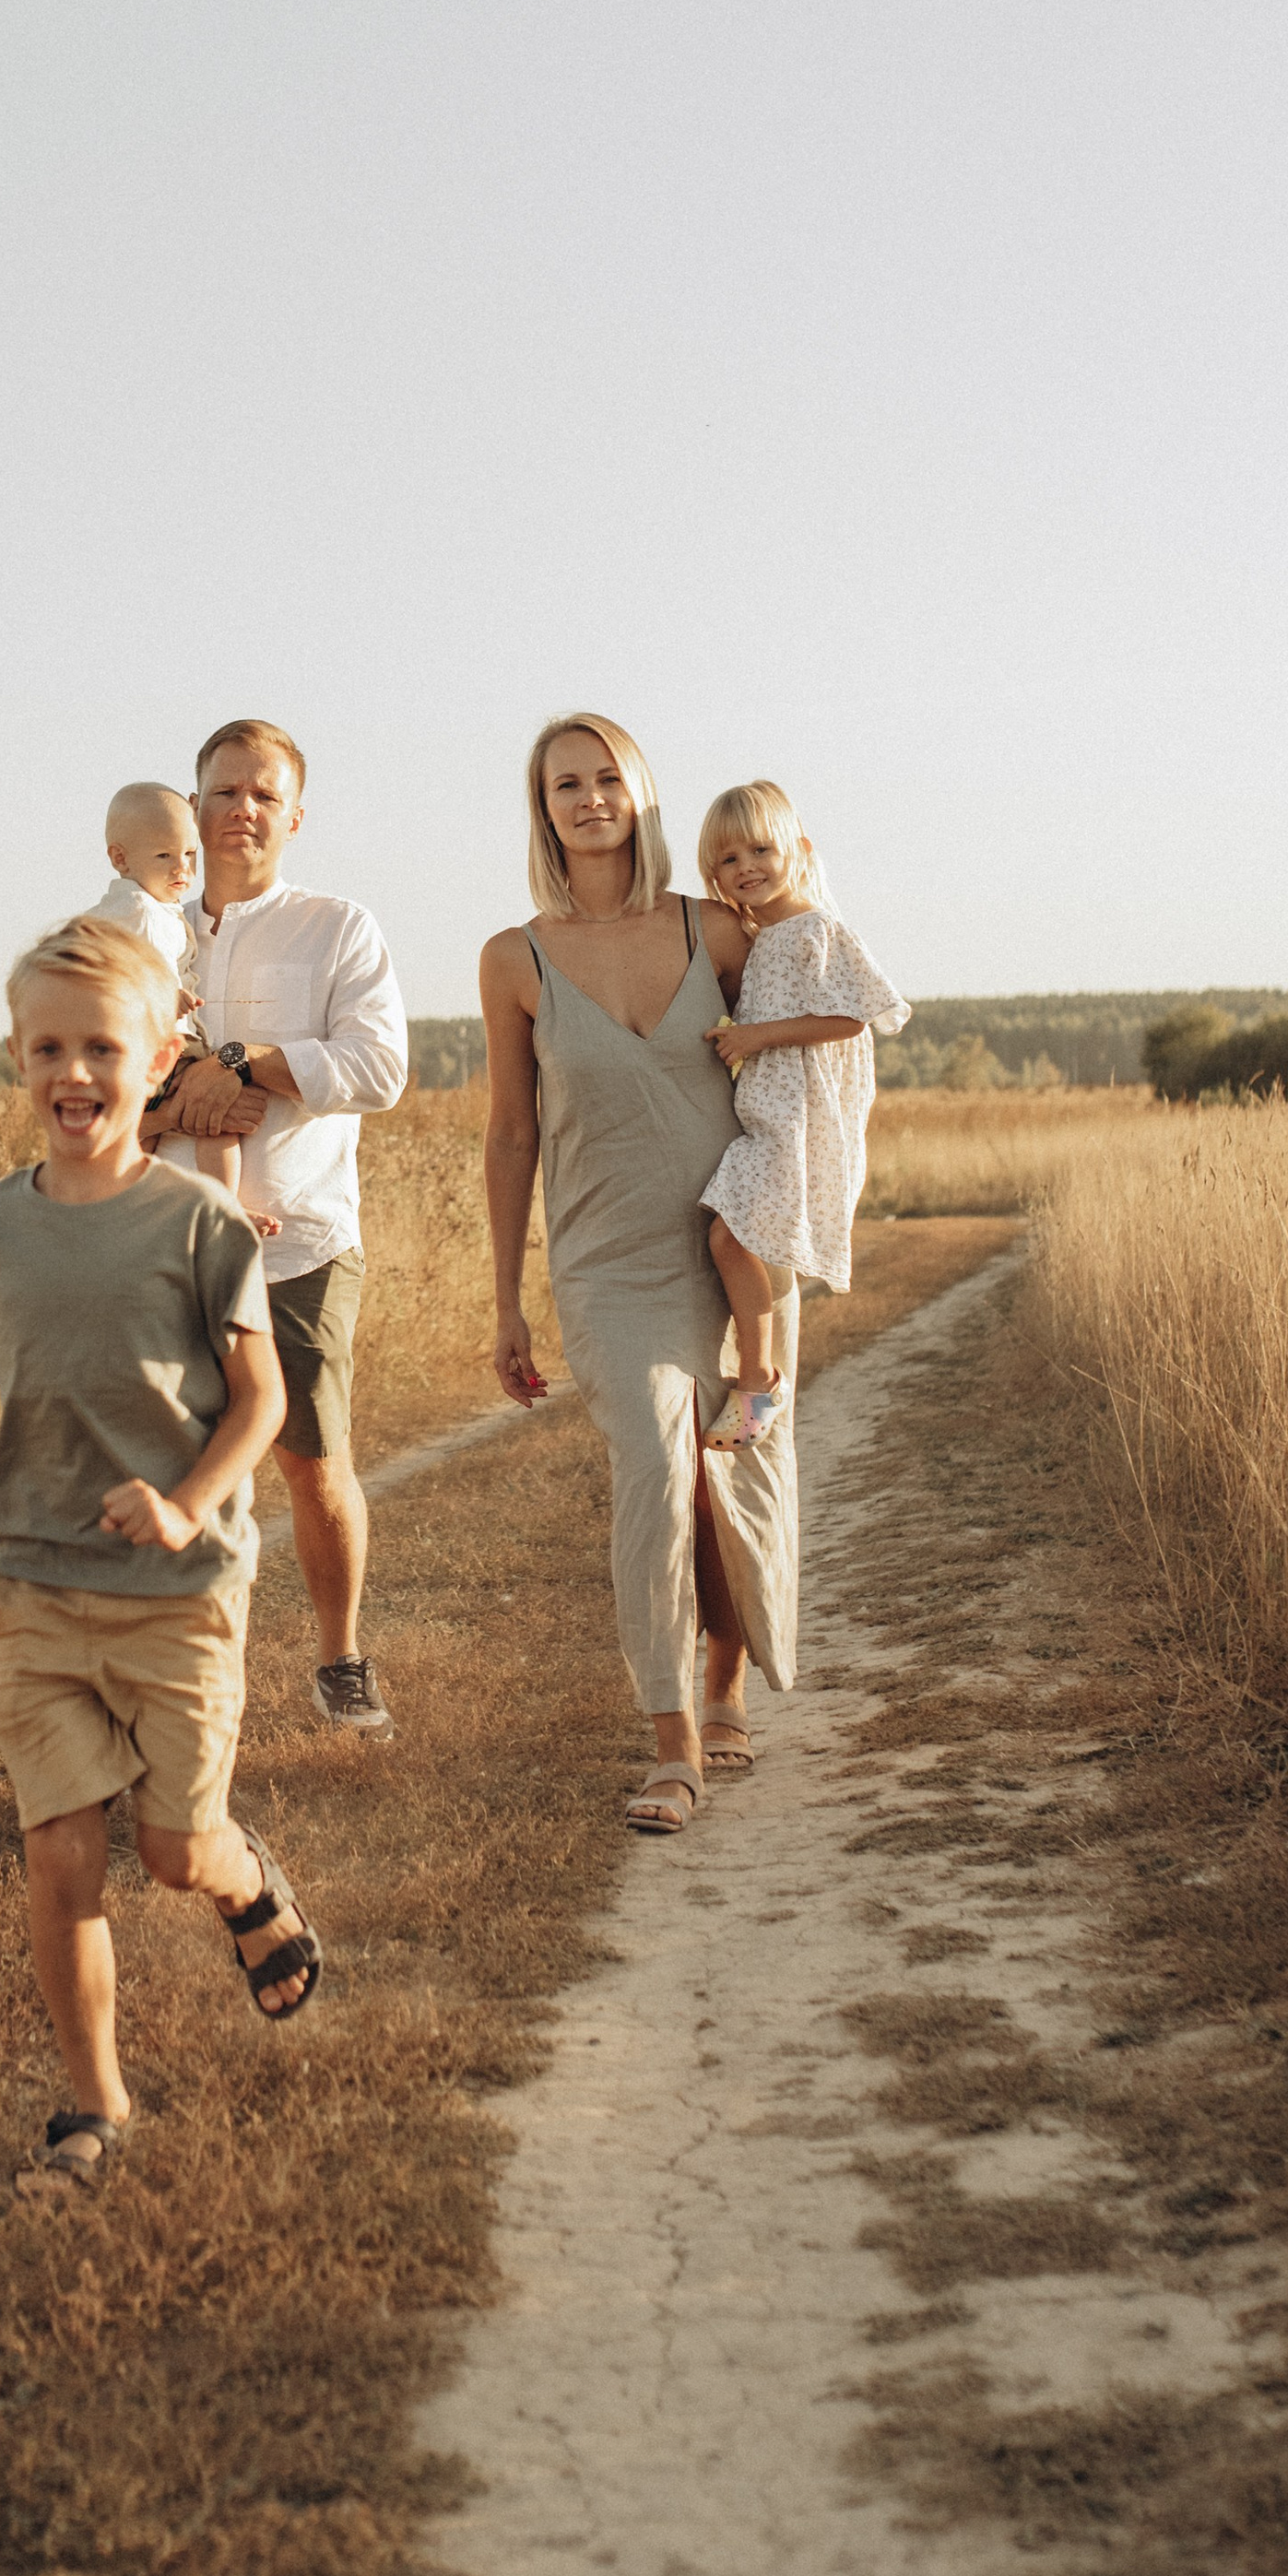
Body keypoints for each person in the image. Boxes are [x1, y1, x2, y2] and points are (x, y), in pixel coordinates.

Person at [0, 913, 325, 2201]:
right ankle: (93, 2104)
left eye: (103, 1049)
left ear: (161, 1057)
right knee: (59, 1855)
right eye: (48, 1049)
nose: (74, 1073)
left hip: (179, 1593)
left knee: (173, 1850)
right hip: (40, 1591)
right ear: (17, 1057)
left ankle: (241, 1879)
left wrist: (184, 1505)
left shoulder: (201, 1222)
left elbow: (261, 1403)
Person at [479, 715, 796, 1837]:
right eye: (564, 783)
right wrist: (507, 1298)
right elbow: (511, 1131)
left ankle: (724, 1683)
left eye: (607, 776)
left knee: (725, 1480)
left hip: (731, 1243)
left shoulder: (718, 928)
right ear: (543, 808)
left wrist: (800, 1205)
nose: (588, 797)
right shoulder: (514, 958)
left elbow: (811, 1035)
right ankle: (672, 1743)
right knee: (658, 1467)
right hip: (604, 1260)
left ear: (642, 792)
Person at [145, 718, 408, 1741]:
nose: (242, 810)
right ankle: (184, 1681)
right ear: (193, 805)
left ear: (295, 817)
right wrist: (177, 1107)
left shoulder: (337, 928)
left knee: (310, 1460)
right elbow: (86, 1079)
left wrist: (246, 1062)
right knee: (175, 1467)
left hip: (299, 1241)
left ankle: (340, 1658)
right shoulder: (146, 933)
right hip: (162, 1242)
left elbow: (378, 1068)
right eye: (224, 791)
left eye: (264, 795)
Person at [696, 780, 910, 1448]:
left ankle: (759, 1380)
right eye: (729, 859)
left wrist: (757, 1037)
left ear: (800, 850)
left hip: (798, 1123)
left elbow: (852, 1018)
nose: (746, 868)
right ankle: (757, 1373)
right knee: (733, 1237)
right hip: (767, 1114)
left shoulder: (816, 928)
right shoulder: (760, 937)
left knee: (729, 1238)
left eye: (761, 850)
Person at [87, 780, 277, 1235]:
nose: (182, 868)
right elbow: (105, 971)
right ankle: (225, 1207)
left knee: (141, 1135)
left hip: (144, 1049)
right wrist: (159, 994)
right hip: (157, 1044)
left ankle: (121, 1210)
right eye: (164, 856)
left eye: (190, 855)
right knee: (215, 1119)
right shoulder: (137, 911)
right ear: (120, 858)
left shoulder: (148, 907)